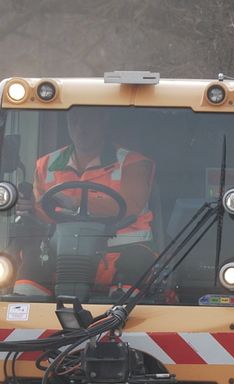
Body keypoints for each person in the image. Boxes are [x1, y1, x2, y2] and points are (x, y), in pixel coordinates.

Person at [14, 106, 157, 297]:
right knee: (31, 263)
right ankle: (24, 316)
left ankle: (116, 316)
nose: (80, 129)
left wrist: (75, 203)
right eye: (74, 122)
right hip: (61, 256)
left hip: (119, 254)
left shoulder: (134, 163)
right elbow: (43, 211)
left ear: (104, 122)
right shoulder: (46, 163)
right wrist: (30, 207)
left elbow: (130, 204)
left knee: (134, 270)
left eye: (88, 122)